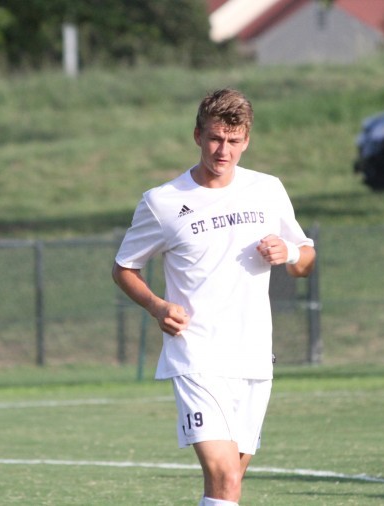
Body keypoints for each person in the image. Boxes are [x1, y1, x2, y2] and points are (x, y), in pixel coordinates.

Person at [112, 88, 316, 506]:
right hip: (197, 354)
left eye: (234, 140)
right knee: (224, 475)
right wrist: (157, 306)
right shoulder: (162, 202)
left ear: (247, 140)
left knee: (230, 485)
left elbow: (305, 260)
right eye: (215, 139)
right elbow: (123, 268)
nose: (224, 150)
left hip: (254, 355)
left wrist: (290, 252)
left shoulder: (268, 189)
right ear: (197, 135)